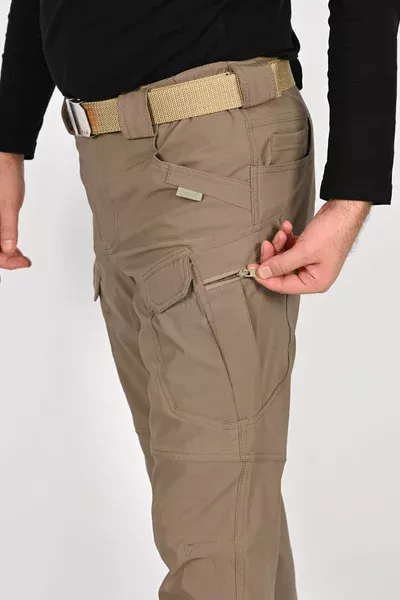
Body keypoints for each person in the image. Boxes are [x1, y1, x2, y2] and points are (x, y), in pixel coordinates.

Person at [0, 1, 398, 598]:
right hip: (108, 158)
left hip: (211, 148)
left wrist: (353, 192)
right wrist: (9, 137)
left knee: (212, 541)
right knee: (223, 523)